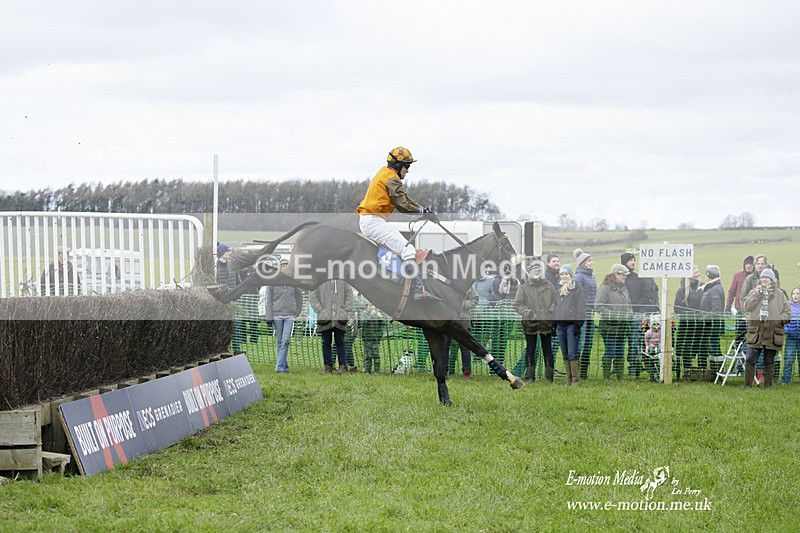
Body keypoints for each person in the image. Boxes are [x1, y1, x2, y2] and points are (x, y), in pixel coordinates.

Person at [356, 146, 439, 301]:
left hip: (373, 220)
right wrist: (423, 212)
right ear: (398, 165)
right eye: (406, 166)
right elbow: (402, 205)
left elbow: (405, 199)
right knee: (408, 250)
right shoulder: (391, 178)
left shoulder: (387, 174)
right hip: (372, 221)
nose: (408, 170)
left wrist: (424, 210)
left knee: (404, 248)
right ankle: (417, 289)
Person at [742, 268, 791, 388]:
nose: (764, 279)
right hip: (756, 332)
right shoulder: (754, 291)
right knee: (750, 359)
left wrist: (778, 321)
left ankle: (768, 386)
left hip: (773, 332)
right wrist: (756, 294)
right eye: (762, 277)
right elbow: (746, 306)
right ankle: (747, 385)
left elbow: (787, 312)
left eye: (767, 278)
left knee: (769, 361)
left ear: (772, 280)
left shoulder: (780, 294)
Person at [514, 259, 556, 383]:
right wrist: (528, 313)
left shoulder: (549, 285)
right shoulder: (523, 287)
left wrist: (551, 311)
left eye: (538, 270)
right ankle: (530, 377)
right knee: (530, 350)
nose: (536, 272)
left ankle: (549, 378)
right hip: (530, 324)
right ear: (530, 272)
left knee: (547, 350)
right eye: (534, 270)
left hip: (546, 323)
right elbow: (517, 305)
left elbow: (555, 300)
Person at [620, 251, 659, 378]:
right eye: (630, 260)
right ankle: (619, 368)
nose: (633, 262)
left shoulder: (638, 278)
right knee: (619, 343)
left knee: (635, 341)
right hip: (621, 315)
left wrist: (636, 308)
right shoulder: (618, 278)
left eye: (634, 260)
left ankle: (634, 366)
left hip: (636, 315)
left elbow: (646, 295)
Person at [263, 259, 304, 373]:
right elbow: (268, 300)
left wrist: (297, 310)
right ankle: (284, 367)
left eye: (286, 266)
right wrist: (269, 317)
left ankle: (279, 367)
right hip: (277, 315)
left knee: (285, 341)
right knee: (280, 341)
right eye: (282, 266)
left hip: (290, 315)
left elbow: (299, 297)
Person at [595, 264, 632, 380]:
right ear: (616, 274)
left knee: (620, 352)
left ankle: (619, 376)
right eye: (623, 275)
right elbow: (599, 306)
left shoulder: (624, 289)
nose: (625, 278)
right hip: (609, 327)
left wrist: (629, 314)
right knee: (610, 351)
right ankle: (606, 377)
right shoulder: (604, 288)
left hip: (623, 327)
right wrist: (613, 316)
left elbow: (630, 305)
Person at [309, 280, 354, 374]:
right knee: (326, 342)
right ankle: (327, 367)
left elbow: (349, 293)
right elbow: (313, 295)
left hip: (340, 317)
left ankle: (342, 366)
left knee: (340, 342)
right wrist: (320, 310)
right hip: (325, 317)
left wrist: (345, 309)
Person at [554, 264, 586, 386]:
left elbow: (581, 306)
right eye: (562, 274)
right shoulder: (558, 288)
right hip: (560, 325)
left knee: (572, 352)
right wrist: (554, 322)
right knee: (565, 352)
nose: (564, 276)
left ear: (571, 275)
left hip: (572, 325)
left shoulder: (577, 288)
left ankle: (575, 380)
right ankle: (568, 379)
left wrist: (578, 323)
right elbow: (555, 305)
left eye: (566, 274)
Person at [674, 265, 704, 380]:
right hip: (686, 326)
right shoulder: (681, 290)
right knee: (685, 349)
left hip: (699, 325)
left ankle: (701, 373)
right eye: (695, 272)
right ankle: (686, 372)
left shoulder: (703, 287)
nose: (698, 274)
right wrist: (691, 314)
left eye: (698, 271)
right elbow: (677, 308)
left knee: (700, 348)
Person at [216, 242, 247, 353]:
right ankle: (223, 348)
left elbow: (239, 281)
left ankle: (236, 349)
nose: (230, 253)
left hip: (234, 300)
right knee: (223, 325)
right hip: (221, 301)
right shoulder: (216, 267)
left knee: (236, 325)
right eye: (227, 251)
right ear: (222, 253)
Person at [444, 285, 479, 380]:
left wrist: (461, 304)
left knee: (465, 349)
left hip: (463, 321)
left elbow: (475, 300)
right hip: (446, 320)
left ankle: (467, 372)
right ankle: (443, 371)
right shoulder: (444, 283)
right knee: (444, 347)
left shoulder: (467, 284)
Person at [573, 248, 597, 379]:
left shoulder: (593, 276)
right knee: (580, 343)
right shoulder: (578, 277)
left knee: (589, 343)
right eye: (589, 261)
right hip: (582, 314)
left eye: (591, 260)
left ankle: (584, 372)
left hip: (591, 314)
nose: (591, 263)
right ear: (582, 263)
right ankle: (575, 372)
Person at [700, 265, 725, 372]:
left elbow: (716, 310)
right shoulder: (712, 287)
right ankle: (714, 371)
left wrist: (703, 318)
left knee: (715, 348)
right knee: (712, 348)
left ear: (708, 275)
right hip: (711, 325)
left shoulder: (715, 289)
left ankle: (718, 371)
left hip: (713, 325)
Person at [358, 294, 387, 375]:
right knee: (367, 356)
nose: (372, 307)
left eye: (373, 305)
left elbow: (383, 325)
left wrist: (379, 318)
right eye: (370, 305)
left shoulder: (378, 315)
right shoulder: (364, 315)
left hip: (375, 338)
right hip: (367, 338)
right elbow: (362, 324)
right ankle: (367, 370)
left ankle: (377, 370)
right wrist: (371, 316)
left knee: (376, 355)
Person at [782, 286, 800, 384]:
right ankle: (786, 381)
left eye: (797, 293)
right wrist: (787, 330)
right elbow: (784, 320)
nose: (795, 295)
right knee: (789, 359)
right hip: (791, 338)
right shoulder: (788, 306)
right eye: (793, 293)